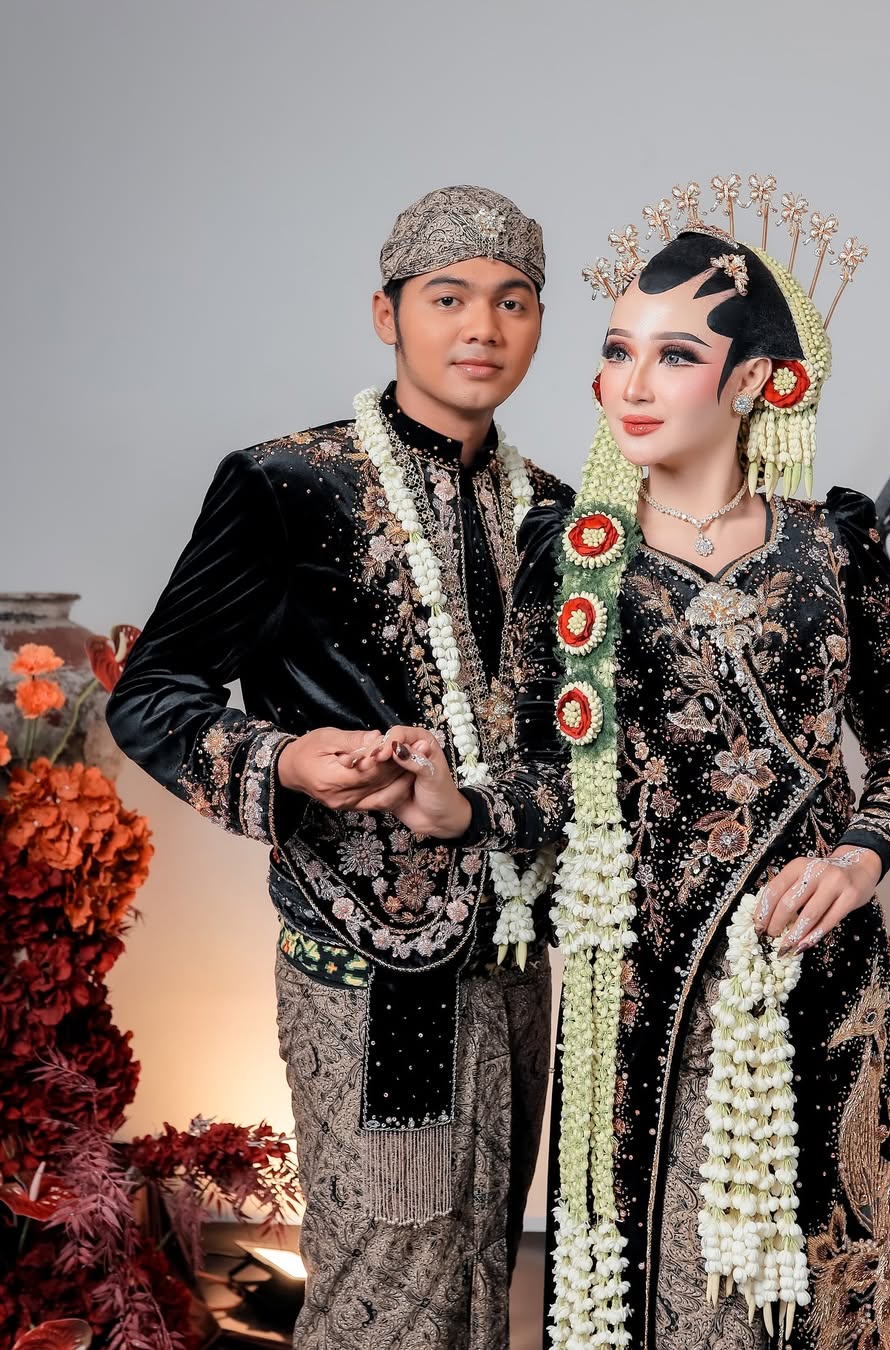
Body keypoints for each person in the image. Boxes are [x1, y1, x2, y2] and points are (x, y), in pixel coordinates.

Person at [373, 178, 890, 1349]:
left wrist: (858, 860)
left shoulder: (834, 542)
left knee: (840, 1278)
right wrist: (458, 808)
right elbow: (551, 777)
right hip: (644, 985)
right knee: (675, 1291)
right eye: (617, 352)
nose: (631, 386)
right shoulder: (571, 559)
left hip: (822, 968)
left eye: (675, 355)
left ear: (755, 381)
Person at [107, 185, 573, 1350]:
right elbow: (152, 693)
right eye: (448, 298)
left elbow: (571, 745)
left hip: (516, 957)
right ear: (386, 313)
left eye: (513, 301)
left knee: (483, 1266)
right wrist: (283, 760)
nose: (482, 326)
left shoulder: (559, 518)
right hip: (368, 963)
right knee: (388, 1282)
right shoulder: (286, 486)